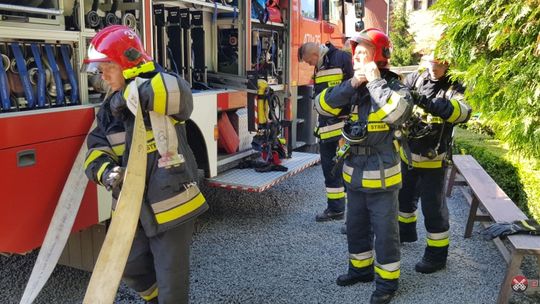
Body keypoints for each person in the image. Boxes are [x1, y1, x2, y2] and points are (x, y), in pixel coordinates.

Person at [82, 25, 208, 304]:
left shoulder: (160, 84)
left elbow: (181, 96)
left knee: (171, 281)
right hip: (131, 208)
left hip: (171, 205)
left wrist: (132, 91)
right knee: (129, 265)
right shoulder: (109, 110)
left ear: (127, 65)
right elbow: (95, 151)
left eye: (108, 68)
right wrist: (107, 173)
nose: (102, 76)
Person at [315, 28, 413, 304]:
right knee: (356, 227)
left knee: (385, 234)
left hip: (382, 178)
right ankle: (360, 270)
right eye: (354, 52)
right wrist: (351, 85)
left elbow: (398, 113)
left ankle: (387, 283)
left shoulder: (394, 86)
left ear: (378, 56)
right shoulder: (353, 86)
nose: (356, 57)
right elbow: (322, 106)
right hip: (355, 174)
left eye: (362, 53)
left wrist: (374, 82)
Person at [398, 53, 471, 273]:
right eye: (430, 61)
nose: (434, 67)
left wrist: (427, 102)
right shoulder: (416, 78)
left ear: (448, 62)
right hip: (409, 155)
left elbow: (462, 113)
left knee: (434, 209)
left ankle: (437, 256)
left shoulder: (455, 85)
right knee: (404, 198)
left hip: (435, 161)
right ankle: (406, 233)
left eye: (439, 63)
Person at [298, 41, 353, 222]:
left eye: (308, 61)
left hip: (341, 128)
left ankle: (352, 215)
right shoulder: (322, 65)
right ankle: (336, 209)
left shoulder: (341, 58)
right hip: (327, 129)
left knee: (345, 172)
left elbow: (353, 89)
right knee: (329, 170)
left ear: (314, 54)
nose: (309, 65)